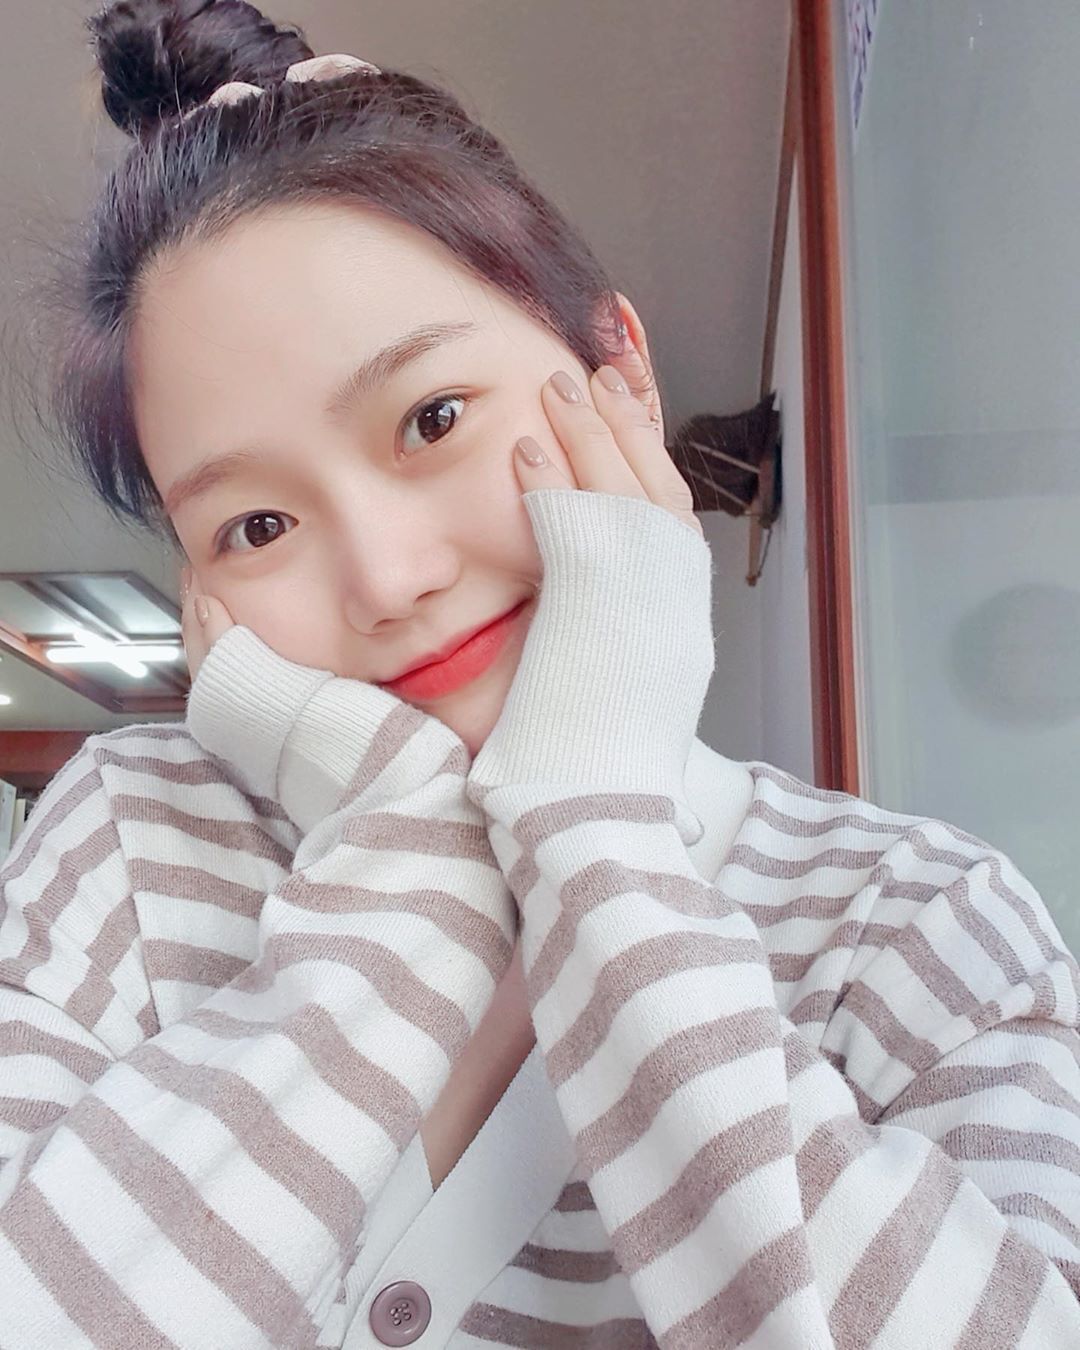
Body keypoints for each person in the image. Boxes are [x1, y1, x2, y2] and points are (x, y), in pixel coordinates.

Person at [2, 2, 1078, 1346]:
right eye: (257, 525)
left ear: (621, 372)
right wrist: (404, 860)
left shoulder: (917, 921)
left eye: (433, 417)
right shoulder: (127, 844)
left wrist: (593, 831)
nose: (387, 580)